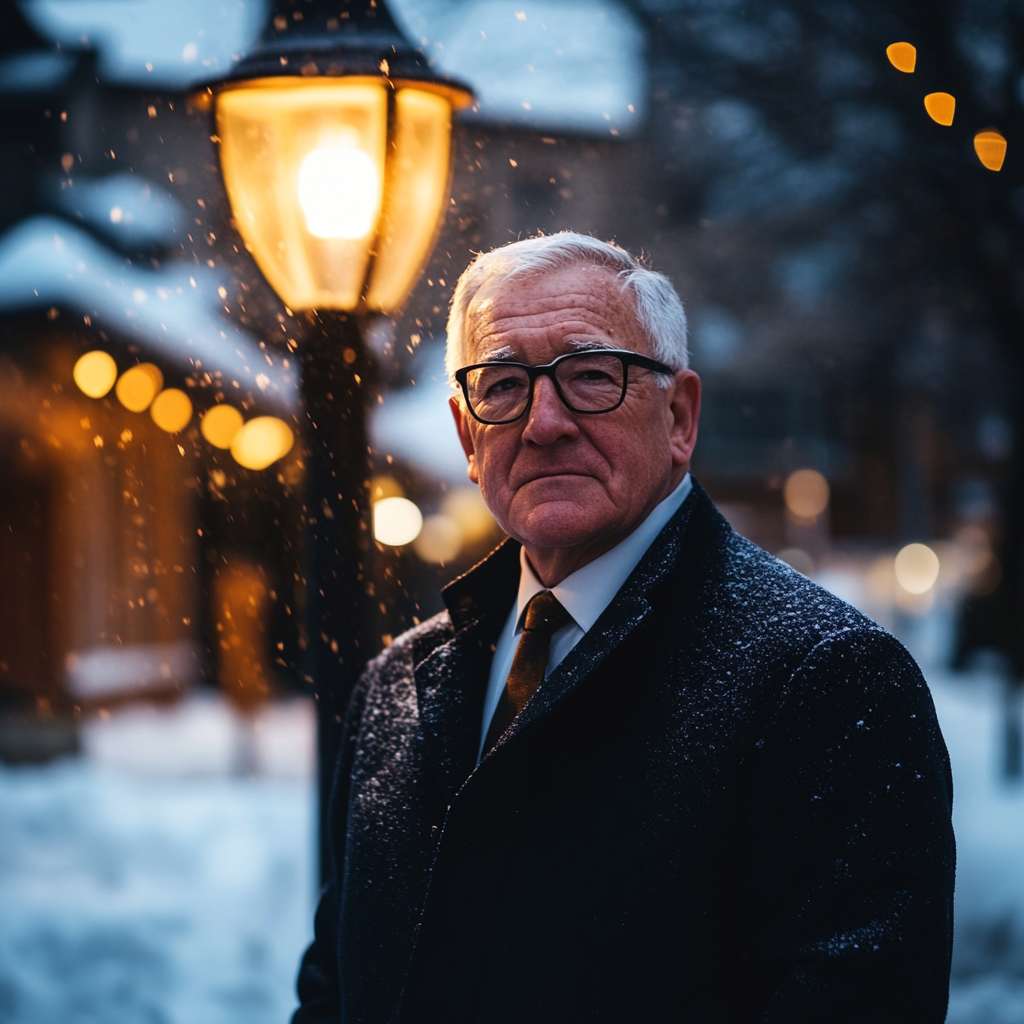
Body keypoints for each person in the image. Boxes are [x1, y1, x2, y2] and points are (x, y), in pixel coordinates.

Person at [294, 233, 955, 1023]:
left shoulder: (826, 679)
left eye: (590, 377)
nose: (543, 422)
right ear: (469, 437)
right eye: (501, 385)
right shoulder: (396, 682)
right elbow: (333, 987)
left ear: (679, 416)